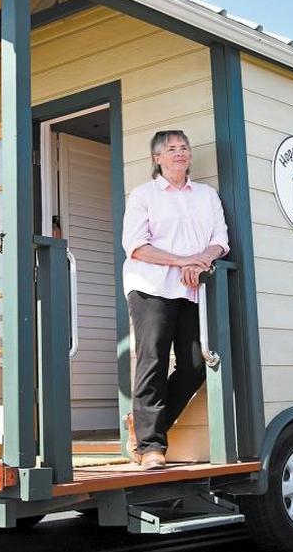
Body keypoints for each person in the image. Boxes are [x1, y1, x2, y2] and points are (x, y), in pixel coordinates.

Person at [121, 130, 229, 470]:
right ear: (157, 159)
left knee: (196, 366)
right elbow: (136, 246)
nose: (180, 153)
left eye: (184, 147)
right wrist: (184, 261)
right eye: (171, 149)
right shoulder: (144, 195)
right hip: (151, 286)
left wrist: (201, 260)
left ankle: (143, 427)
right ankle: (151, 447)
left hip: (192, 289)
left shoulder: (206, 195)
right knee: (152, 359)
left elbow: (220, 239)